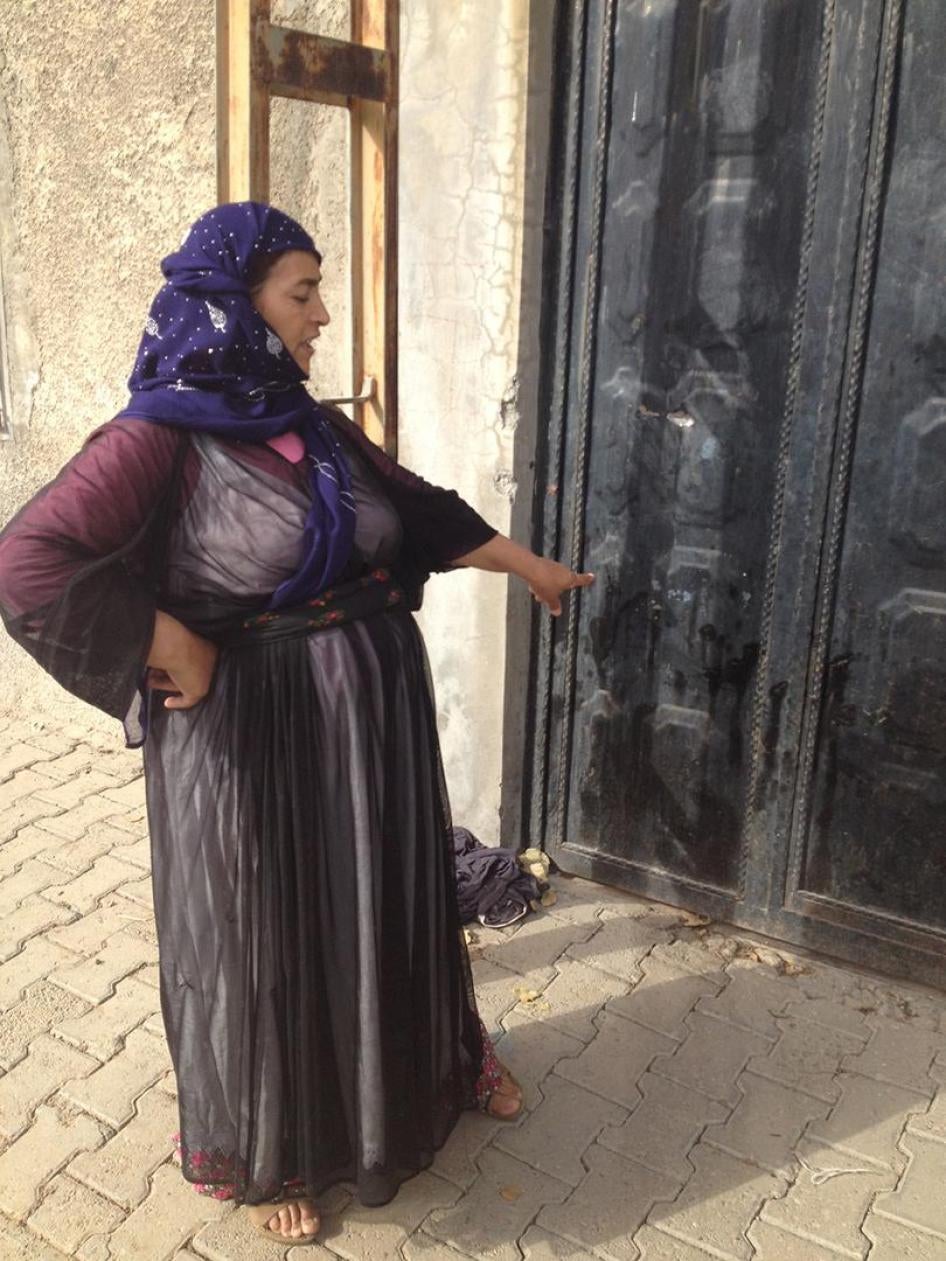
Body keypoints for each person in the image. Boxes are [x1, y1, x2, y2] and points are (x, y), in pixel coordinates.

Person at [0, 203, 593, 1245]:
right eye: (302, 292)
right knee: (266, 933)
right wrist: (166, 639)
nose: (321, 314)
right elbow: (28, 561)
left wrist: (528, 565)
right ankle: (280, 1146)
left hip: (371, 728)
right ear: (236, 307)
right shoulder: (155, 438)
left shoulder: (310, 425)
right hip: (251, 737)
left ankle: (435, 1074)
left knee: (387, 905)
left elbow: (417, 508)